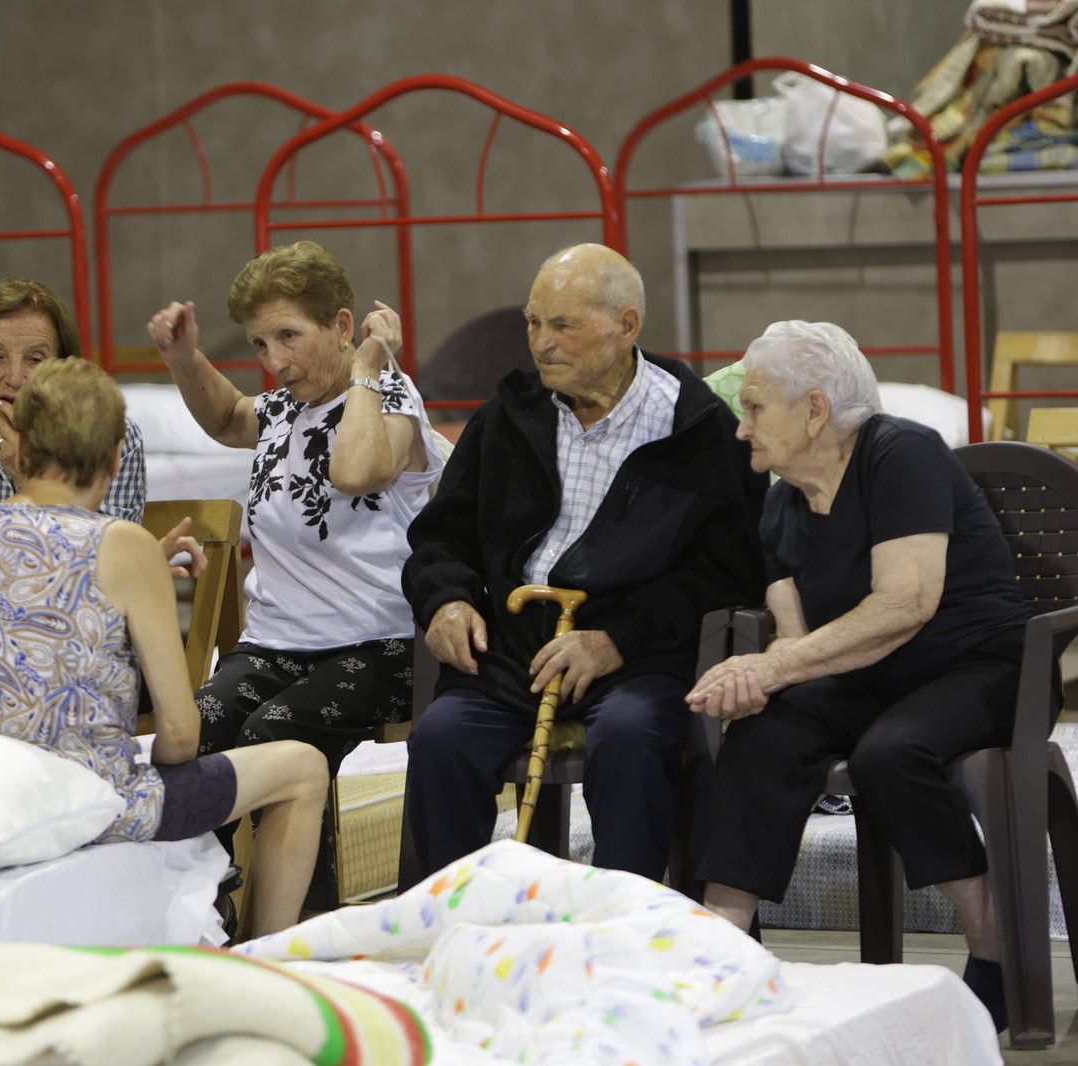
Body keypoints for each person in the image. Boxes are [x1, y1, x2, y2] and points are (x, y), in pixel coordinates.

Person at [689, 320, 1035, 1030]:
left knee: (890, 753)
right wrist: (761, 682)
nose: (740, 428)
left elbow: (907, 604)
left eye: (754, 408)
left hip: (978, 666)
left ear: (814, 409)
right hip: (864, 676)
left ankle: (994, 942)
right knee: (763, 735)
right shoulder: (781, 495)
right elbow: (798, 638)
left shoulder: (900, 452)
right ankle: (720, 946)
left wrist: (777, 664)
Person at [0, 357, 328, 936]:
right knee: (304, 766)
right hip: (80, 804)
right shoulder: (122, 545)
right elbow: (182, 736)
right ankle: (264, 959)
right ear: (115, 458)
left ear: (21, 451)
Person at [399, 243, 766, 887]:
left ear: (626, 326)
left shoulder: (694, 428)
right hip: (511, 651)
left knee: (631, 737)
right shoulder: (510, 415)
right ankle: (437, 936)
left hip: (634, 656)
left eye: (562, 324)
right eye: (534, 322)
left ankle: (627, 935)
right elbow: (440, 536)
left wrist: (616, 640)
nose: (542, 343)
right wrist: (447, 599)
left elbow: (729, 572)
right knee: (441, 740)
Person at [146, 240, 446, 910]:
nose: (274, 362)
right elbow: (226, 417)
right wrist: (183, 356)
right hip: (276, 645)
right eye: (259, 344)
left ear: (341, 326)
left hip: (382, 646)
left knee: (272, 737)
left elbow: (356, 471)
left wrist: (370, 364)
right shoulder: (281, 407)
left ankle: (306, 928)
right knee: (192, 735)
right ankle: (206, 911)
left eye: (289, 336)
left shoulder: (392, 398)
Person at [0, 277, 201, 715]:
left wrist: (27, 474)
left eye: (36, 358)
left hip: (72, 671)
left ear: (61, 368)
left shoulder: (113, 441)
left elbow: (100, 588)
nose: (15, 377)